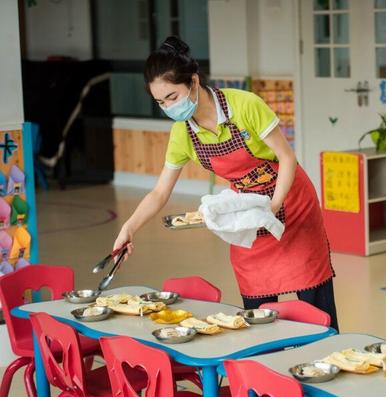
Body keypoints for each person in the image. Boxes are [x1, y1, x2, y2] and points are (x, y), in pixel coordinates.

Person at [112, 36, 338, 331]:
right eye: (160, 102)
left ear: (193, 82)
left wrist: (273, 206)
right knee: (258, 310)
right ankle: (269, 373)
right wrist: (128, 228)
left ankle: (322, 362)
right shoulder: (183, 134)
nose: (169, 108)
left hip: (292, 206)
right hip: (247, 217)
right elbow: (160, 191)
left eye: (173, 97)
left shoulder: (244, 105)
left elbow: (287, 158)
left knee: (314, 308)